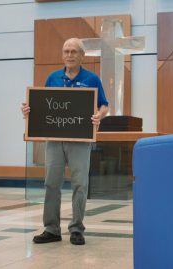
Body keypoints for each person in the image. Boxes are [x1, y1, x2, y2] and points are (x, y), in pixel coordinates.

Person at [21, 38, 109, 245]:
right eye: (66, 51)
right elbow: (42, 106)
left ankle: (77, 229)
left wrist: (99, 115)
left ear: (82, 55)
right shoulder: (53, 78)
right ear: (62, 55)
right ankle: (51, 229)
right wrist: (27, 110)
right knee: (51, 183)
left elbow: (104, 105)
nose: (69, 55)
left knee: (80, 184)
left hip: (80, 139)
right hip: (54, 140)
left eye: (74, 52)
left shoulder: (92, 79)